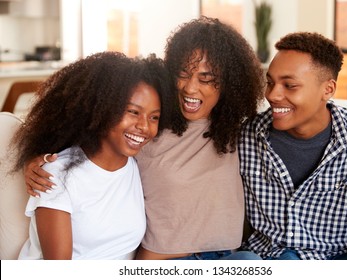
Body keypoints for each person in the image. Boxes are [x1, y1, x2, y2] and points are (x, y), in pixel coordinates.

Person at [23, 17, 265, 260]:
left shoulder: (240, 131)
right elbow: (89, 138)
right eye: (183, 73)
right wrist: (39, 158)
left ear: (230, 83)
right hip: (164, 261)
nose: (190, 88)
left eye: (205, 78)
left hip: (228, 256)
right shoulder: (149, 131)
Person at [239, 31, 347, 260]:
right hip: (266, 258)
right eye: (270, 82)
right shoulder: (247, 136)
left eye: (290, 85)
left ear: (328, 89)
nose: (273, 95)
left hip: (336, 261)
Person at [12, 51, 172, 259]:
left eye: (154, 117)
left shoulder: (137, 165)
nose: (144, 126)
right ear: (102, 108)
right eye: (133, 112)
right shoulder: (55, 174)